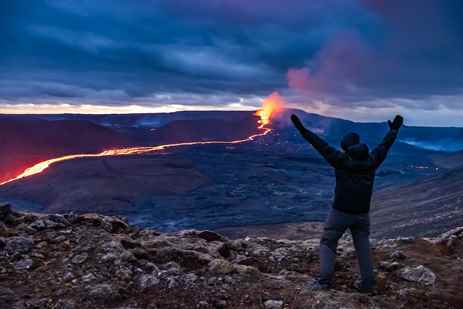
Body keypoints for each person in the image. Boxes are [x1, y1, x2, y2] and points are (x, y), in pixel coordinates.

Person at [290, 113, 404, 293]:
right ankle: (368, 284)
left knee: (328, 241)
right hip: (362, 214)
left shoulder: (341, 160)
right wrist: (394, 131)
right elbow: (385, 146)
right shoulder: (372, 160)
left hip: (340, 212)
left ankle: (324, 281)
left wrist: (303, 130)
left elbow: (320, 145)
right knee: (363, 246)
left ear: (346, 148)